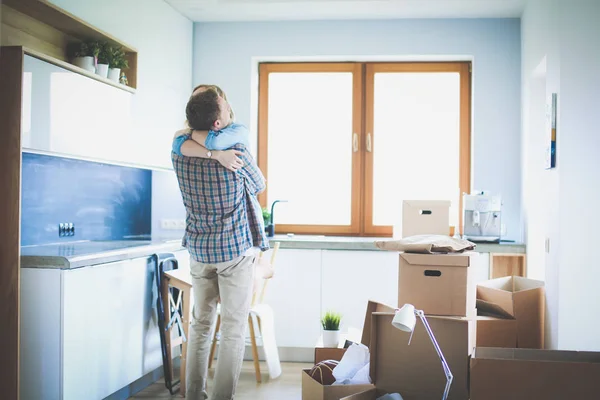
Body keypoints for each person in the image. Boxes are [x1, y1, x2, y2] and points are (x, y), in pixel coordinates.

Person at [171, 85, 269, 400]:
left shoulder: (179, 151)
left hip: (199, 251)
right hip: (233, 251)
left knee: (200, 324)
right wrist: (224, 156)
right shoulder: (236, 150)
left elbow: (180, 139)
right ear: (217, 123)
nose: (229, 110)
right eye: (226, 108)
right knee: (232, 329)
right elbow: (258, 183)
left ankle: (193, 395)